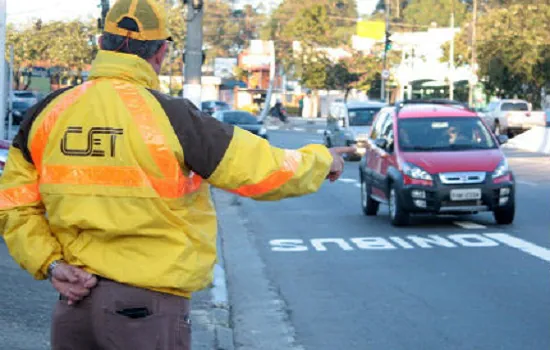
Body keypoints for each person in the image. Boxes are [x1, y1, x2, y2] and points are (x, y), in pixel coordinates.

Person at [0, 0, 354, 349]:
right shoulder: (171, 117)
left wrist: (50, 263)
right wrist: (323, 161)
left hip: (73, 307)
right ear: (161, 53)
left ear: (100, 44)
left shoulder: (45, 114)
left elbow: (13, 206)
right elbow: (260, 170)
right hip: (145, 314)